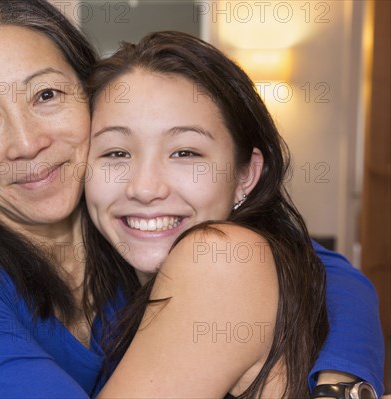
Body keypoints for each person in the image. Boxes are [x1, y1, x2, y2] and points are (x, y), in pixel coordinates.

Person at [0, 0, 385, 397]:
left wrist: (339, 382)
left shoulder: (130, 240)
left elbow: (328, 271)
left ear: (94, 103)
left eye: (45, 96)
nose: (25, 143)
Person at [84, 30, 359, 398]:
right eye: (116, 153)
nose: (145, 187)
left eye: (185, 153)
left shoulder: (219, 258)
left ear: (245, 175)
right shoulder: (118, 286)